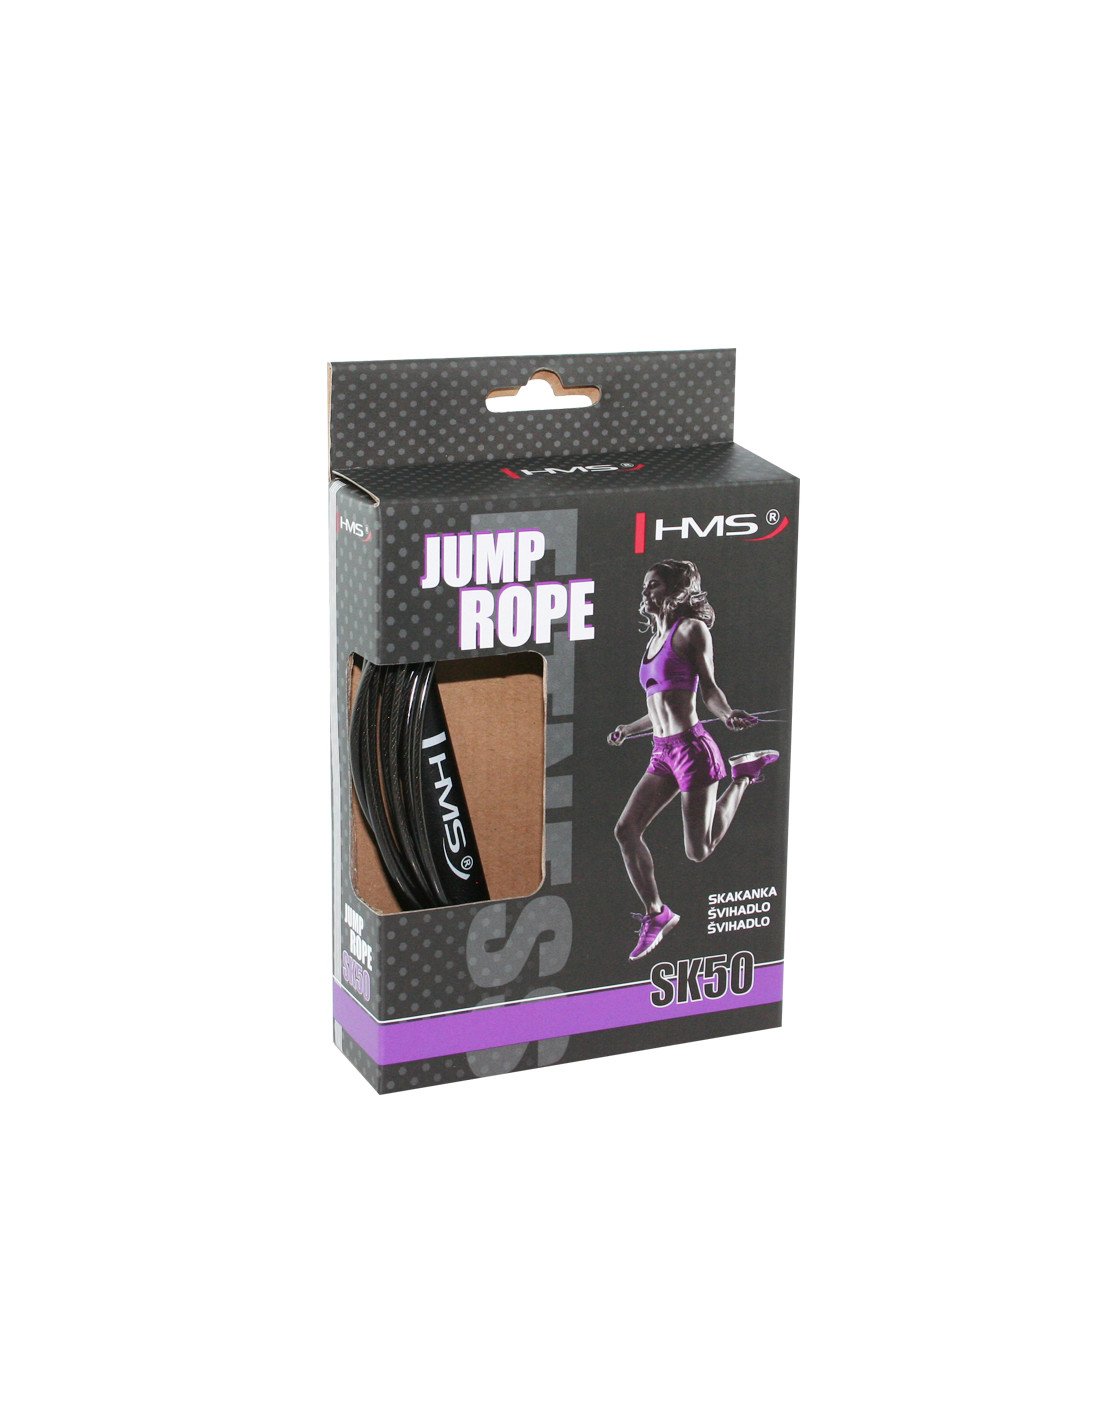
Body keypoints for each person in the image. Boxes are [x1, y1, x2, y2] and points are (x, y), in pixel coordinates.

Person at [608, 559, 779, 961]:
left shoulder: (691, 630)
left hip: (691, 750)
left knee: (698, 851)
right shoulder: (653, 640)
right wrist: (629, 729)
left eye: (653, 585)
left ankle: (743, 776)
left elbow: (709, 690)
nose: (645, 592)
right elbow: (660, 705)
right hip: (662, 752)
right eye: (645, 585)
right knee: (626, 830)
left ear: (674, 590)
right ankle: (657, 914)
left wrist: (727, 714)